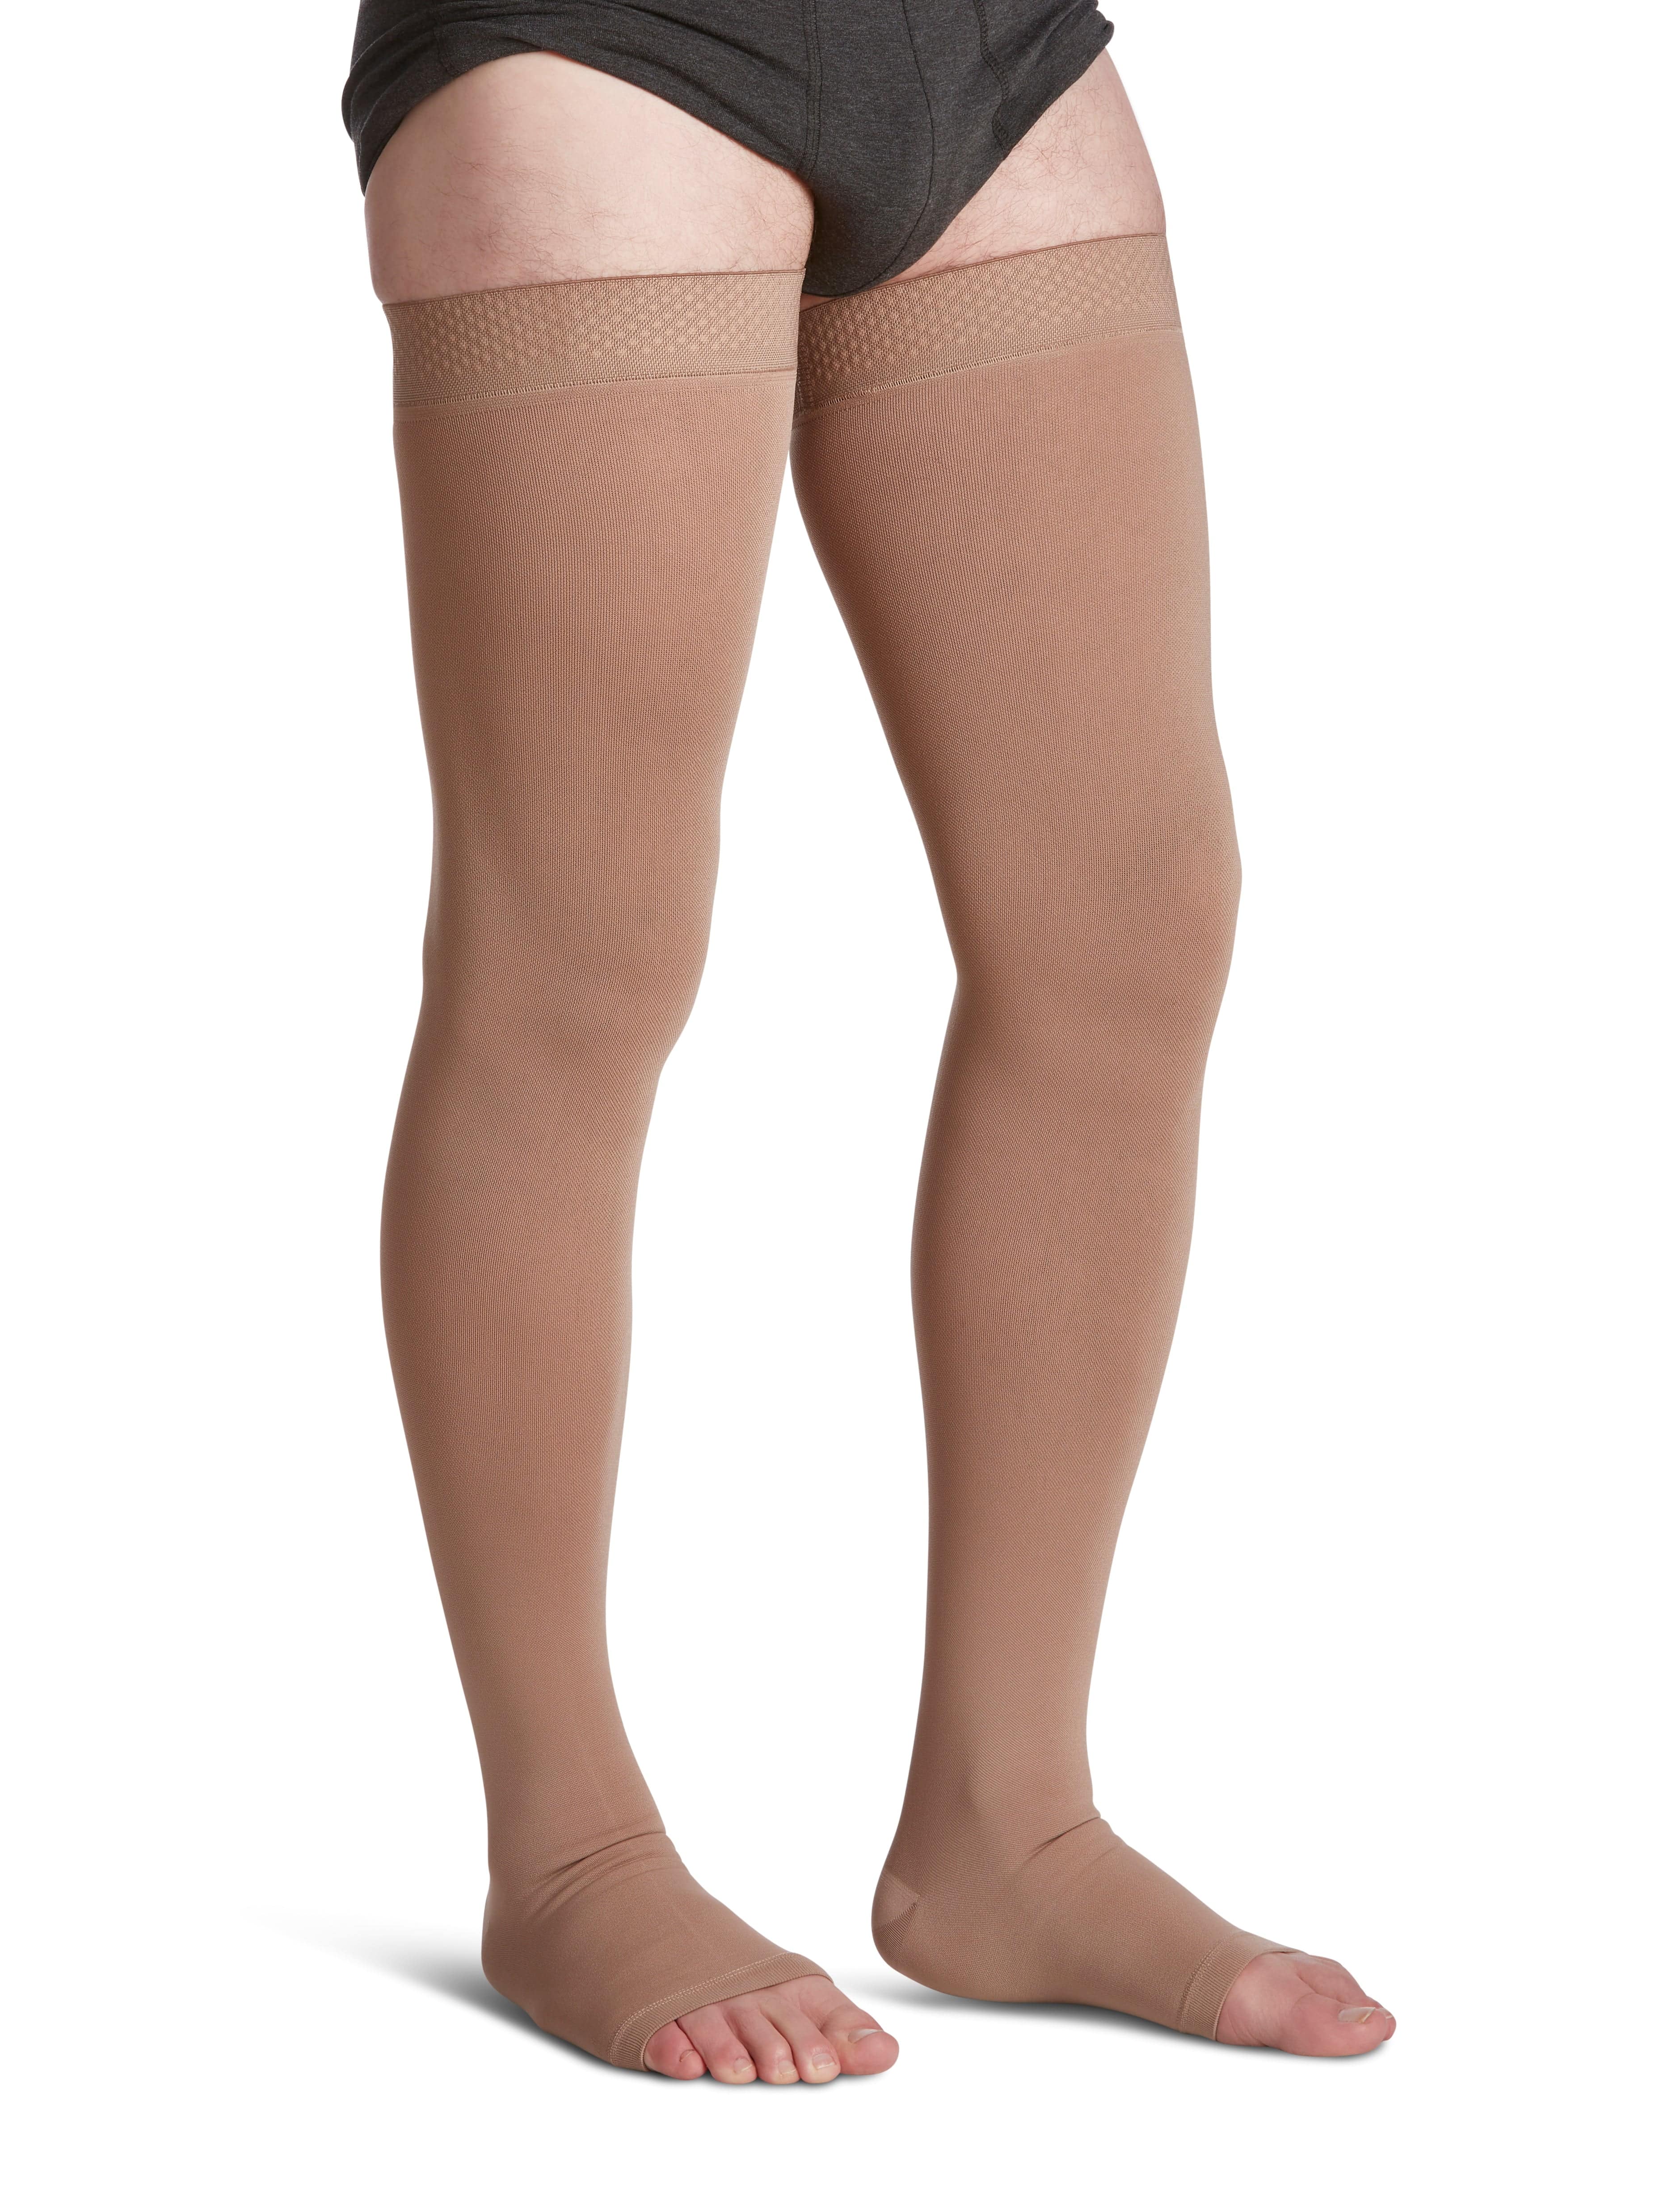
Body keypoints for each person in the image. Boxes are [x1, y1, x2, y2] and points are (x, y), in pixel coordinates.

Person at [343, 1, 1395, 2082]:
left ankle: (1009, 1820)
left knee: (1123, 916)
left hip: (983, 48)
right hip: (602, 46)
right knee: (578, 946)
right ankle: (570, 1843)